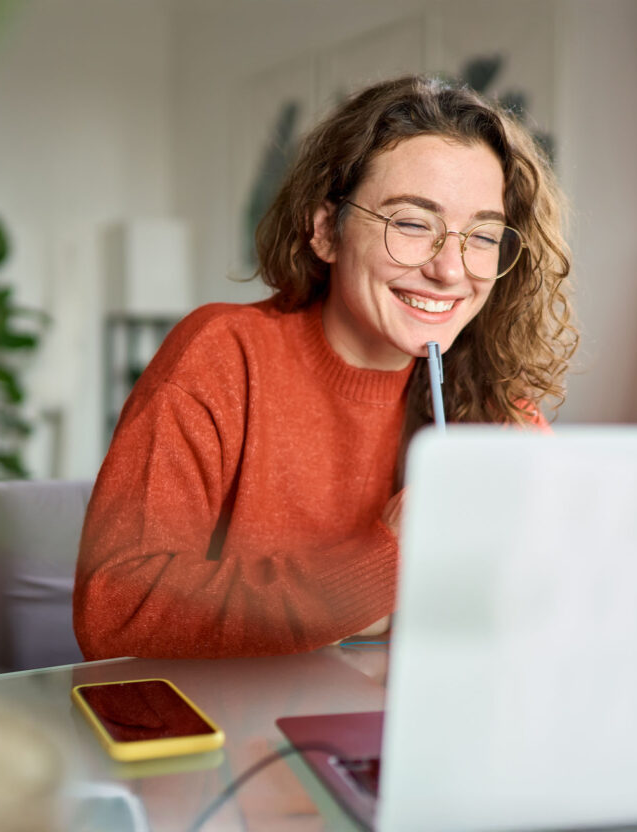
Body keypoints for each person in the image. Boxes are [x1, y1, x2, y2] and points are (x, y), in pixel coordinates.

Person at [73, 75, 577, 660]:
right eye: (412, 223)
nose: (450, 269)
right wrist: (383, 562)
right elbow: (115, 609)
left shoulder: (492, 396)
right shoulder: (222, 356)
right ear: (324, 231)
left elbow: (554, 599)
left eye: (483, 236)